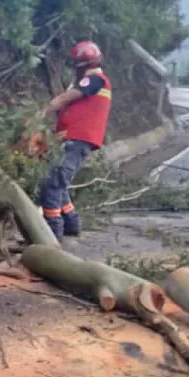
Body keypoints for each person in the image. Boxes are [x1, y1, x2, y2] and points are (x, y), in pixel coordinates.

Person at [39, 40, 111, 241]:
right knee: (59, 183)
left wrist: (39, 114)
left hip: (77, 139)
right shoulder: (91, 80)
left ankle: (51, 233)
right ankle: (71, 224)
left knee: (52, 183)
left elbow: (63, 99)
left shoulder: (95, 80)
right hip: (74, 138)